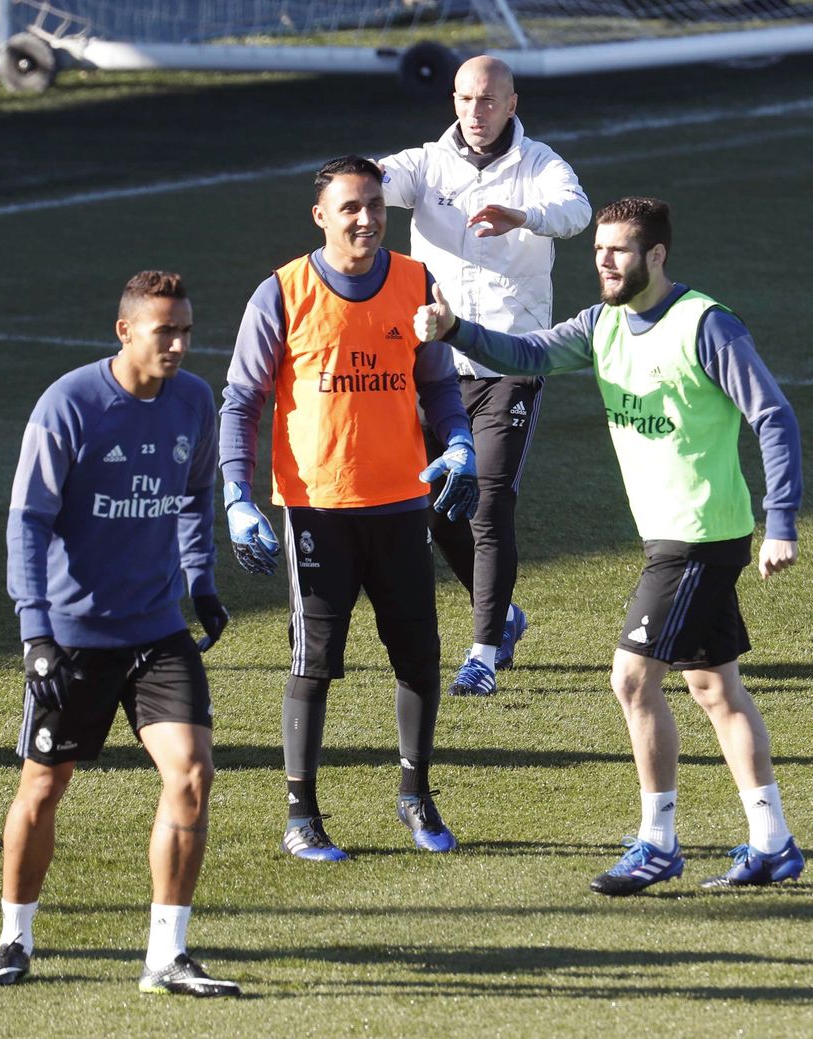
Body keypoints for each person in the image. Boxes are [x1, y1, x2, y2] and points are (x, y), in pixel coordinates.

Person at [414, 196, 805, 893]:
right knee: (715, 686)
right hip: (674, 535)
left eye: (618, 250)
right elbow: (528, 352)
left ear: (655, 254)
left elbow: (772, 415)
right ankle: (772, 842)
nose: (604, 261)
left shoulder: (704, 325)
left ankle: (658, 843)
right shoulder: (602, 324)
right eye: (598, 250)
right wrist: (456, 330)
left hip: (696, 535)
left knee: (630, 678)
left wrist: (781, 520)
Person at [0, 272, 240, 995]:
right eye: (165, 331)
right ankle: (15, 937)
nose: (178, 345)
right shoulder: (69, 404)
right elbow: (28, 520)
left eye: (186, 330)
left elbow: (195, 492)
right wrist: (35, 631)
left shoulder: (193, 400)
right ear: (125, 331)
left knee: (191, 773)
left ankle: (166, 956)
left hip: (157, 629)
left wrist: (200, 577)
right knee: (44, 784)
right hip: (74, 635)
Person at [219, 155, 479, 862]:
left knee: (418, 656)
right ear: (320, 216)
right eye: (350, 208)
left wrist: (458, 441)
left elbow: (437, 383)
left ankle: (415, 796)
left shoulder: (415, 281)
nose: (366, 219)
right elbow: (241, 401)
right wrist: (237, 495)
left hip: (401, 504)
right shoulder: (281, 292)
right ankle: (300, 815)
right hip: (318, 510)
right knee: (313, 663)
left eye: (375, 206)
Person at [379, 54, 591, 697]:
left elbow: (575, 211)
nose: (476, 111)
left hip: (510, 364)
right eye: (466, 98)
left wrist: (522, 216)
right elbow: (374, 181)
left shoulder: (539, 164)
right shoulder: (425, 164)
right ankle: (505, 618)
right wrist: (350, 190)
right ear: (453, 100)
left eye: (490, 100)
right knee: (438, 504)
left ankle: (482, 653)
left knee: (490, 502)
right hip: (435, 370)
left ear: (512, 104)